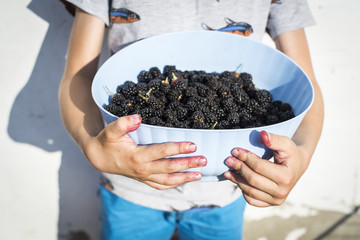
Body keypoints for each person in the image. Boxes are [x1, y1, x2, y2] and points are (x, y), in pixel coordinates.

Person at [58, 0, 324, 239]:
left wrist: (302, 154)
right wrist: (90, 143)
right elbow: (78, 76)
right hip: (130, 187)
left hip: (226, 190)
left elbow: (304, 82)